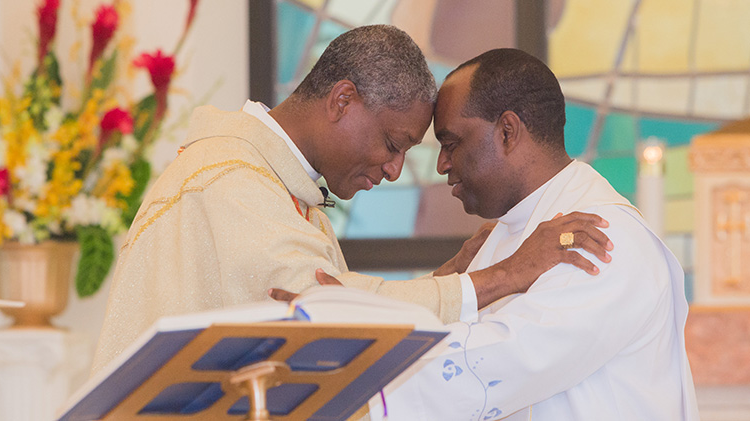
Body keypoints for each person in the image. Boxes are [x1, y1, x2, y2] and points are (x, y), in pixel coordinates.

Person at [91, 26, 611, 377]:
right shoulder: (231, 182)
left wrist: (449, 273)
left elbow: (336, 306)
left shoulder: (275, 185)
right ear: (343, 100)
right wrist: (503, 276)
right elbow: (322, 314)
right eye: (393, 144)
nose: (393, 171)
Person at [352, 49, 698, 420]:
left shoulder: (599, 235)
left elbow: (509, 358)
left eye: (451, 144)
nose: (442, 165)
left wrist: (348, 373)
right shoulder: (499, 238)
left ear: (507, 131)